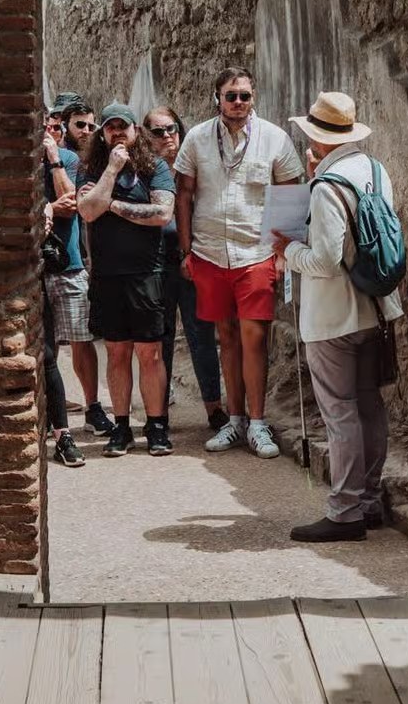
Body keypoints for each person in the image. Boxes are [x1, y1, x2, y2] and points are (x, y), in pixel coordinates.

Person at [272, 92, 404, 543]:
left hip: (333, 317)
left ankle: (345, 511)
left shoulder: (327, 187)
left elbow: (326, 261)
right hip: (376, 307)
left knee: (340, 412)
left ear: (317, 140)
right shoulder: (374, 169)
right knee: (369, 405)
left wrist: (287, 250)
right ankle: (368, 500)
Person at [174, 69, 303, 460]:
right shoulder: (197, 137)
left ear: (253, 97)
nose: (238, 103)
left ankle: (259, 422)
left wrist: (282, 253)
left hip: (256, 252)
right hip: (210, 250)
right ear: (217, 98)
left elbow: (291, 195)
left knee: (255, 337)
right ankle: (235, 419)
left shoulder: (274, 137)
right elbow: (183, 194)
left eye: (245, 96)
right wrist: (186, 251)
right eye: (231, 96)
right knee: (226, 336)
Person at [78, 103, 175, 457]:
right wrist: (112, 171)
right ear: (102, 134)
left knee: (150, 354)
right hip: (107, 275)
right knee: (117, 353)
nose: (117, 132)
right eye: (110, 128)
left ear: (136, 130)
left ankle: (157, 425)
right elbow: (87, 210)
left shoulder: (156, 168)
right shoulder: (90, 167)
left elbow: (162, 213)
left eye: (123, 127)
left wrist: (113, 205)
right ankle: (121, 426)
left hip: (146, 273)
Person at [144, 105, 226, 433]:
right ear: (146, 136)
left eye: (173, 129)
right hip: (156, 266)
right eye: (159, 131)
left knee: (202, 337)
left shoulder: (193, 169)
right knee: (160, 339)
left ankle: (214, 410)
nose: (168, 137)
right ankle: (159, 415)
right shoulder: (143, 173)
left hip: (193, 263)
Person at [54, 98, 111, 438]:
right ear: (64, 124)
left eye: (92, 126)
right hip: (57, 260)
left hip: (77, 260)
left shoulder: (92, 160)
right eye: (80, 125)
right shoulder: (62, 159)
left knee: (81, 338)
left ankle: (92, 406)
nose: (87, 131)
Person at [40, 94, 88, 468]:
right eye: (46, 127)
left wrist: (54, 157)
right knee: (43, 354)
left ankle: (63, 434)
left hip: (59, 265)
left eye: (55, 128)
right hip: (27, 270)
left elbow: (68, 200)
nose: (50, 133)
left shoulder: (67, 159)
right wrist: (45, 209)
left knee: (57, 353)